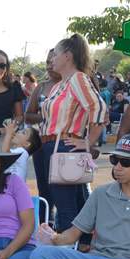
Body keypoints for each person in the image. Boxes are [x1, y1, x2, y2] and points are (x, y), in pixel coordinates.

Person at [39, 34, 107, 244]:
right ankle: (81, 245)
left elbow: (98, 107)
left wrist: (88, 142)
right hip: (52, 146)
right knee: (73, 201)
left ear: (67, 56)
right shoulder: (61, 83)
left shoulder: (77, 78)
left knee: (66, 204)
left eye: (56, 54)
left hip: (65, 146)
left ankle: (70, 249)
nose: (52, 59)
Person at [25, 49, 62, 219]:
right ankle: (45, 221)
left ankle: (65, 224)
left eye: (52, 62)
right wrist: (47, 116)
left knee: (64, 187)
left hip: (65, 144)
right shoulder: (41, 87)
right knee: (44, 186)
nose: (49, 66)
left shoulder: (73, 85)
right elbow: (28, 116)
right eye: (47, 62)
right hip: (41, 144)